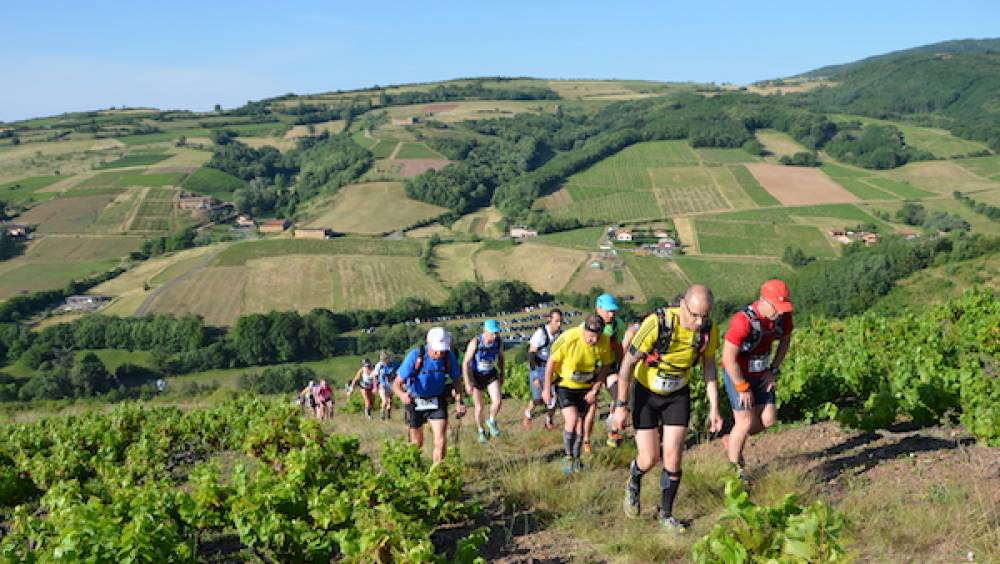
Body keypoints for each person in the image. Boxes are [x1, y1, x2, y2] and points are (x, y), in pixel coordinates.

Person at [613, 284, 724, 532]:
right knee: (649, 458)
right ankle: (635, 477)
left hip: (677, 394)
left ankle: (666, 515)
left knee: (673, 457)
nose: (699, 322)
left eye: (705, 316)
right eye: (694, 315)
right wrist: (621, 405)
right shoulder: (657, 323)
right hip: (646, 393)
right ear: (682, 305)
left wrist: (714, 407)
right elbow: (627, 364)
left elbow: (709, 367)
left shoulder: (707, 330)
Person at [720, 279, 794, 481]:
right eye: (777, 308)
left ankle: (732, 439)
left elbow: (785, 340)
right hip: (738, 374)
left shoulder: (782, 318)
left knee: (768, 419)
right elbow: (728, 358)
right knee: (744, 422)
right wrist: (742, 387)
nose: (780, 313)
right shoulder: (742, 321)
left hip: (761, 373)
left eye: (783, 308)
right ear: (763, 301)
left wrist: (774, 369)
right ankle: (736, 471)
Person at [542, 314, 614, 475]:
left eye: (597, 337)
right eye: (590, 337)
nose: (593, 341)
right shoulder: (569, 338)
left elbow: (606, 365)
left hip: (586, 386)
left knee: (581, 425)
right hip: (565, 385)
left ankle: (577, 458)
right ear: (584, 330)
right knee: (572, 419)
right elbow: (551, 363)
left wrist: (595, 389)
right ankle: (568, 457)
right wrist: (546, 389)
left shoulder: (604, 341)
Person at [393, 327, 467, 464]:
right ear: (429, 343)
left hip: (437, 400)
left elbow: (457, 380)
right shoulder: (415, 356)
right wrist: (402, 395)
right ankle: (413, 470)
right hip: (415, 400)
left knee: (440, 440)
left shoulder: (448, 357)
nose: (439, 353)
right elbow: (396, 384)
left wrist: (459, 401)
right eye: (436, 349)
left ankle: (437, 472)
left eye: (443, 349)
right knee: (416, 443)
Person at [588, 293, 628, 452]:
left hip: (610, 366)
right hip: (591, 368)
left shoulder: (619, 325)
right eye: (608, 311)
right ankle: (585, 440)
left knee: (619, 397)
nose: (611, 314)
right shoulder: (588, 325)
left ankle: (613, 432)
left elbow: (620, 346)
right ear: (598, 309)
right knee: (590, 406)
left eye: (614, 311)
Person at [463, 320, 506, 443]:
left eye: (496, 333)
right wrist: (467, 382)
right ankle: (481, 430)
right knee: (479, 407)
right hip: (476, 375)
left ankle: (491, 421)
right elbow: (465, 363)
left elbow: (501, 358)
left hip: (491, 373)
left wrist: (502, 374)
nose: (494, 336)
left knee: (497, 401)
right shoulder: (476, 342)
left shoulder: (498, 342)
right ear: (485, 331)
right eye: (492, 333)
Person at [522, 308, 563, 430]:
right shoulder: (541, 334)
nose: (559, 324)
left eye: (561, 321)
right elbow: (531, 354)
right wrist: (534, 376)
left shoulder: (561, 334)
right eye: (556, 321)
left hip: (553, 369)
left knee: (553, 397)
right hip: (539, 367)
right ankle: (528, 414)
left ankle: (549, 420)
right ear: (550, 320)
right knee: (538, 399)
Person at [374, 350, 399, 420]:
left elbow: (399, 372)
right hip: (382, 385)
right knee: (384, 401)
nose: (385, 361)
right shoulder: (379, 365)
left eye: (386, 359)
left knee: (390, 402)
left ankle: (388, 416)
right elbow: (375, 376)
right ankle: (382, 414)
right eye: (383, 360)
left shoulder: (394, 364)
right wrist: (375, 387)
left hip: (391, 384)